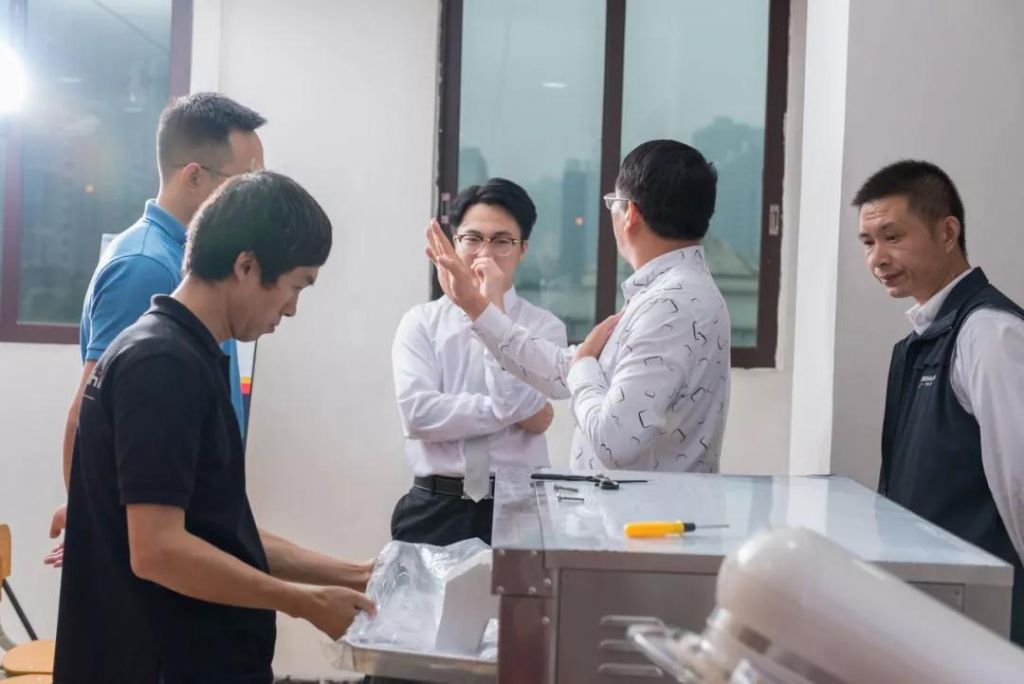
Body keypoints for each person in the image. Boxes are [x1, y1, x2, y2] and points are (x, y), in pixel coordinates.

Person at [54, 171, 376, 683]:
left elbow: (219, 532)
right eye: (295, 286)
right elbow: (159, 551)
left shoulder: (180, 353)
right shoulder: (161, 364)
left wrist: (355, 574)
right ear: (246, 266)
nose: (291, 308)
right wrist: (303, 602)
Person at [47, 92, 266, 567]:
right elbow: (87, 411)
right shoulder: (147, 265)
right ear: (194, 177)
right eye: (245, 183)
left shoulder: (189, 260)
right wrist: (97, 524)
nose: (255, 201)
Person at [428, 140, 731, 473]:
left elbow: (612, 441)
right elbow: (565, 369)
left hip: (640, 507)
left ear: (629, 213)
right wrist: (477, 307)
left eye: (612, 203)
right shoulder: (667, 293)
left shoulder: (671, 304)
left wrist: (584, 364)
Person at [853, 159, 1024, 644]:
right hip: (935, 608)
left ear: (948, 232)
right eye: (867, 242)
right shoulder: (919, 340)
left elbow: (1019, 482)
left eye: (892, 236)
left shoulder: (990, 334)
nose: (877, 258)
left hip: (988, 613)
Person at [391, 178, 566, 546]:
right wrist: (515, 411)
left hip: (520, 508)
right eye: (472, 239)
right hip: (434, 505)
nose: (484, 254)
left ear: (523, 249)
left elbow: (519, 405)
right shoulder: (420, 322)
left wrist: (490, 312)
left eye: (501, 241)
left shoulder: (544, 328)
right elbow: (418, 415)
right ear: (455, 243)